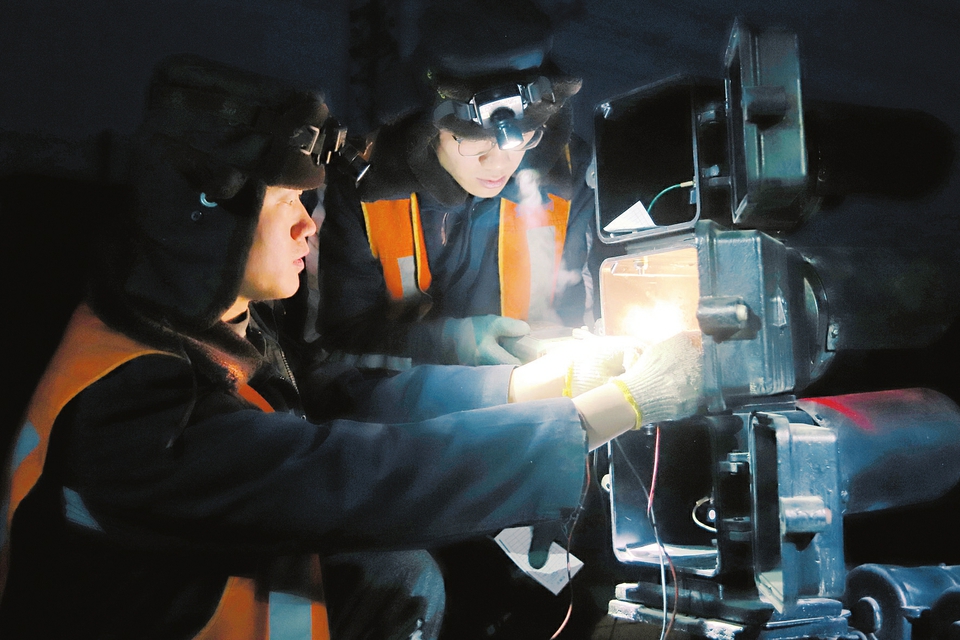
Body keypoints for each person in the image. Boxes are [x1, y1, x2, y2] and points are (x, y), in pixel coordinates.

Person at [0, 54, 703, 639]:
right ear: (210, 221)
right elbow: (350, 476)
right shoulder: (126, 407)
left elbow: (342, 400)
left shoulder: (206, 328)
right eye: (287, 203)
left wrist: (540, 383)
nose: (309, 225)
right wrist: (615, 409)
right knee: (408, 570)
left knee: (499, 566)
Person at [317, 0, 597, 368]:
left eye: (522, 137)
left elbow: (578, 313)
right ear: (425, 131)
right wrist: (443, 342)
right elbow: (342, 339)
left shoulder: (570, 176)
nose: (498, 162)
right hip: (398, 399)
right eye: (471, 140)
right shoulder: (364, 187)